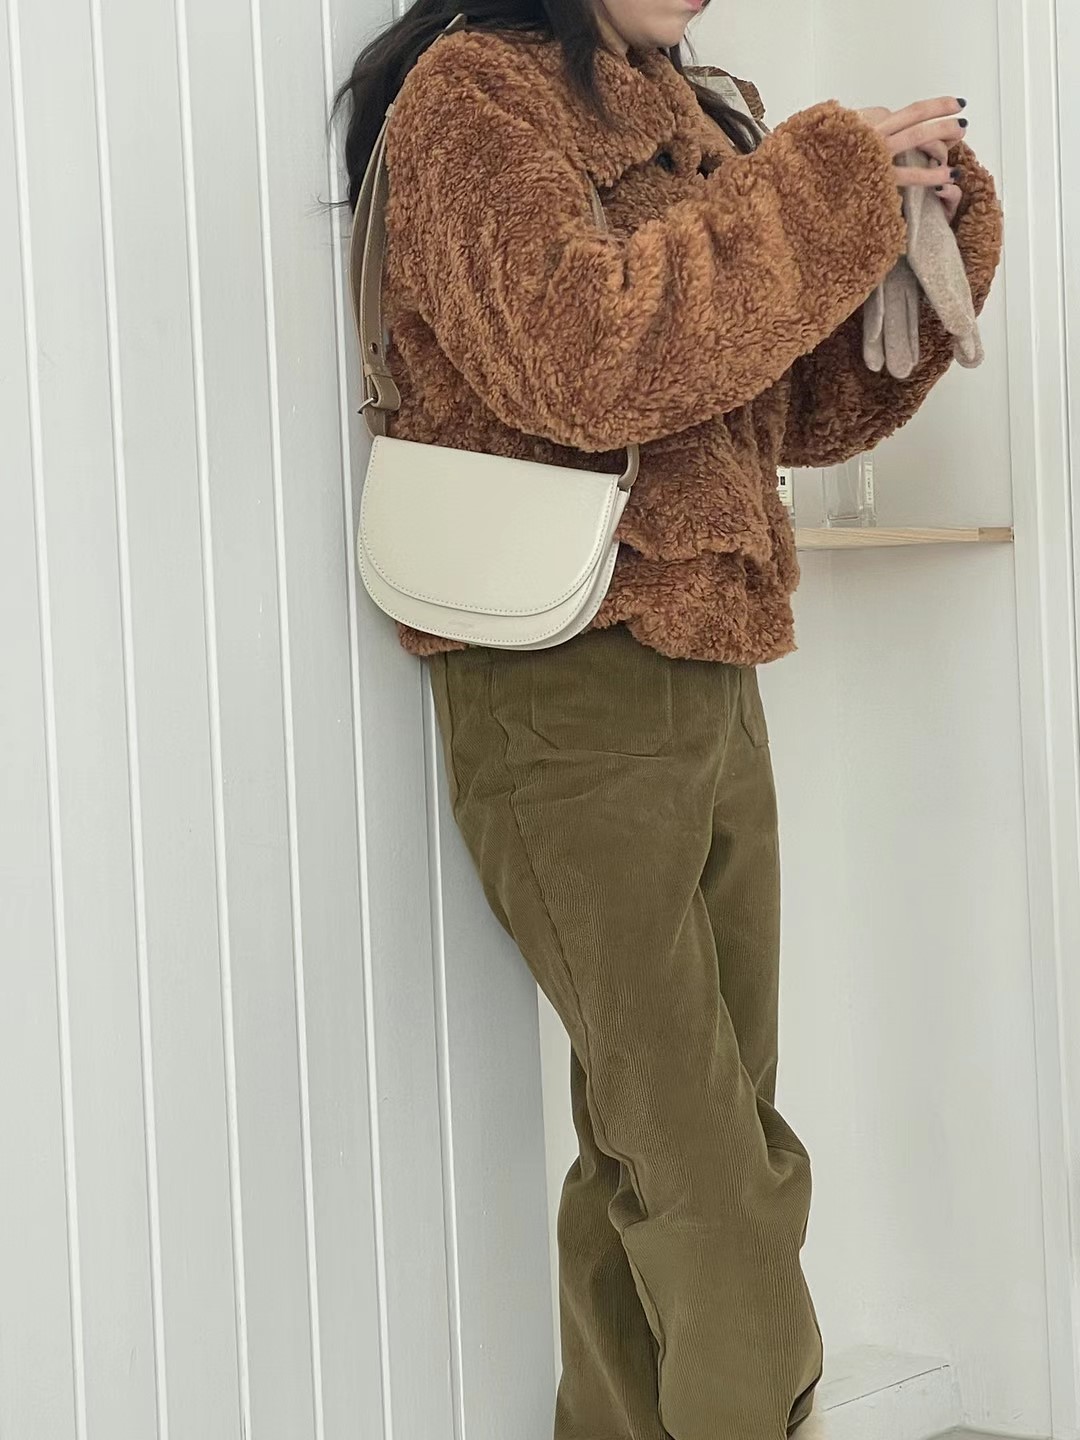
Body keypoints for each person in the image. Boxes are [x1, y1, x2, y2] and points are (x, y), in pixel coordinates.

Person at [331, 3, 1003, 1437]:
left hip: (715, 657)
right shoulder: (471, 99)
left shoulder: (681, 103)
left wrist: (897, 233)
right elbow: (585, 365)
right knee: (704, 1166)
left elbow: (784, 411)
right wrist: (810, 195)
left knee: (668, 1145)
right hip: (563, 677)